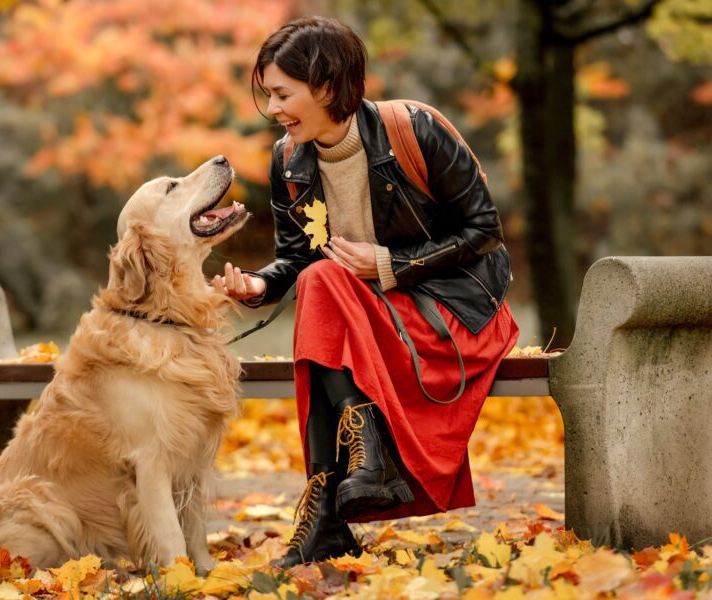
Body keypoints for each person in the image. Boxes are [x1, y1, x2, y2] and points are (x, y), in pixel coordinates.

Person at [212, 16, 519, 568]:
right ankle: (363, 456)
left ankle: (326, 510)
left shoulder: (415, 129)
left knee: (324, 293)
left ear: (327, 86)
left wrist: (390, 265)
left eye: (282, 94)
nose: (274, 110)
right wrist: (259, 284)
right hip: (366, 319)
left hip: (452, 311)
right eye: (268, 96)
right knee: (320, 279)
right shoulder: (289, 160)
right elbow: (299, 259)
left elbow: (484, 230)